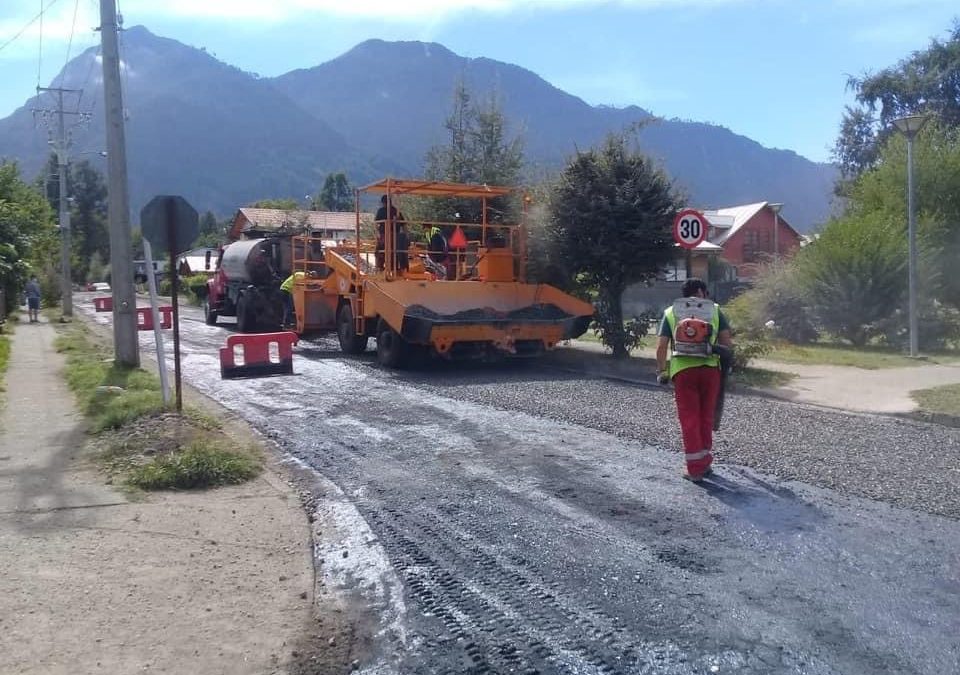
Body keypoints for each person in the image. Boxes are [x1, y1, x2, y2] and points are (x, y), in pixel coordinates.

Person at [655, 278, 733, 482]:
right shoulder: (715, 310)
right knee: (706, 416)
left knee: (689, 419)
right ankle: (704, 463)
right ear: (702, 292)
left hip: (683, 371)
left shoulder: (671, 312)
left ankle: (694, 469)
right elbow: (726, 341)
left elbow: (662, 345)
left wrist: (662, 370)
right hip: (710, 370)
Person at [375, 195, 408, 272]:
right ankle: (394, 268)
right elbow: (404, 225)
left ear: (383, 202)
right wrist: (406, 236)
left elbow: (376, 223)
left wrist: (377, 234)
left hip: (385, 235)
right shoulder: (396, 211)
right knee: (394, 252)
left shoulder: (381, 211)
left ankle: (380, 267)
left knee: (379, 251)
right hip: (395, 236)